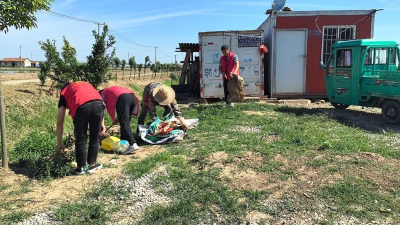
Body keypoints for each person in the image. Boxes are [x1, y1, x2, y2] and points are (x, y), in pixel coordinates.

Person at [56, 81, 104, 175]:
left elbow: (60, 122)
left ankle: (81, 167)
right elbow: (97, 100)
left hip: (81, 107)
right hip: (98, 105)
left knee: (81, 138)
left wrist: (59, 144)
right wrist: (102, 123)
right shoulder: (85, 84)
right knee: (94, 137)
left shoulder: (64, 92)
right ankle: (92, 165)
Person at [99, 86, 140, 155]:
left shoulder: (101, 95)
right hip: (132, 97)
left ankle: (133, 143)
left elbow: (100, 110)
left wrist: (102, 125)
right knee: (124, 122)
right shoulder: (109, 91)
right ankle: (124, 143)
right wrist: (117, 118)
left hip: (123, 98)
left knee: (124, 122)